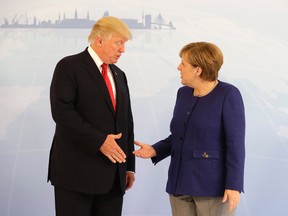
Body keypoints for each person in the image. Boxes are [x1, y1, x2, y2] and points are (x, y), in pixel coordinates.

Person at [134, 42, 245, 216]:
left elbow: (235, 144)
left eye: (183, 64)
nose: (178, 67)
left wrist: (234, 185)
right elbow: (179, 135)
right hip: (179, 183)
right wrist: (155, 150)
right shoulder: (183, 93)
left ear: (198, 70)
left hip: (213, 188)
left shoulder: (228, 94)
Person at [48, 16, 135, 216]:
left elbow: (126, 122)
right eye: (118, 43)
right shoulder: (69, 66)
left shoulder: (119, 74)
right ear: (99, 41)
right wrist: (99, 141)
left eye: (124, 44)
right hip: (76, 175)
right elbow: (62, 112)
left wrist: (129, 167)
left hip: (114, 178)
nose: (123, 49)